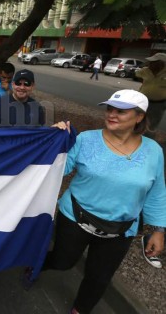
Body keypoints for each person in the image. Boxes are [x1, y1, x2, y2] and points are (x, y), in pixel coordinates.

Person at [27, 90, 166, 314]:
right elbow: (56, 170)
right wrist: (53, 141)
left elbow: (157, 191)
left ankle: (80, 310)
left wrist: (158, 229)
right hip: (75, 218)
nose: (111, 114)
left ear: (139, 116)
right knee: (63, 262)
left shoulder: (153, 151)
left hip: (121, 230)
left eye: (120, 111)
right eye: (109, 109)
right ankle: (36, 266)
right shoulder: (86, 139)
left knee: (99, 277)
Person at [136, 52, 166, 136]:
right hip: (142, 100)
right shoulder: (145, 70)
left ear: (161, 63)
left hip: (158, 104)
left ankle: (147, 141)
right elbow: (136, 75)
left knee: (151, 125)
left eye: (153, 62)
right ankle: (133, 137)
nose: (150, 64)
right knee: (137, 119)